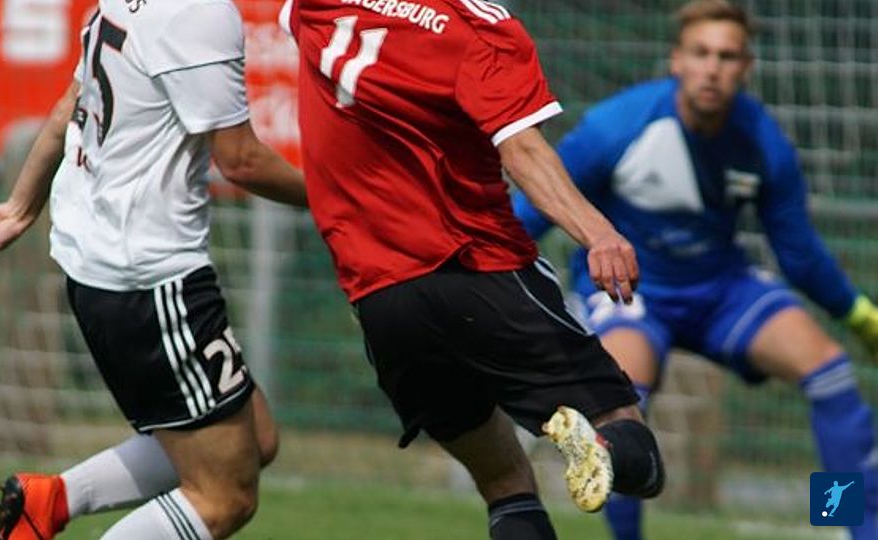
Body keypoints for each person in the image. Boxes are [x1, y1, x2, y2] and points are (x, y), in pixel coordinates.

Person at [279, 0, 665, 538]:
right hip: (479, 271)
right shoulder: (480, 30)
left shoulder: (319, 6)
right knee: (636, 451)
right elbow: (523, 151)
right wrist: (598, 233)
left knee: (504, 482)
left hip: (382, 302)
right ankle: (597, 444)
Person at [0, 0, 307, 538]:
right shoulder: (199, 12)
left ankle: (47, 503)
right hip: (152, 282)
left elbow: (68, 107)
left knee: (255, 438)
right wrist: (342, 203)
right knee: (224, 497)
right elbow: (241, 160)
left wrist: (21, 206)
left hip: (106, 268)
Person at [510, 1, 878, 539]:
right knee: (621, 405)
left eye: (727, 57)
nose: (712, 68)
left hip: (720, 289)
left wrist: (857, 313)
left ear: (746, 67)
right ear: (676, 60)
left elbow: (798, 252)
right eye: (701, 53)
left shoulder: (762, 142)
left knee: (829, 373)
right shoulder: (618, 127)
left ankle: (851, 525)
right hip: (630, 294)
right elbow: (529, 213)